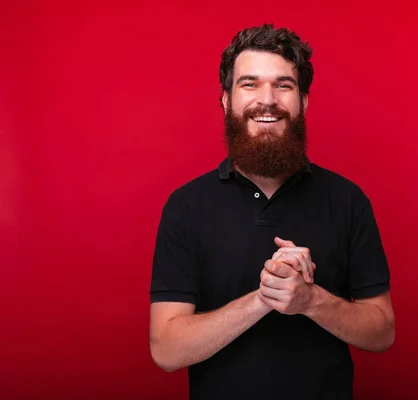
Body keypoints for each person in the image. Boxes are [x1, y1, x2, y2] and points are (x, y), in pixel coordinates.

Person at [149, 23, 395, 400]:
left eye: (283, 85)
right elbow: (165, 349)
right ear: (226, 100)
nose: (268, 100)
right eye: (249, 84)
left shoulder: (347, 200)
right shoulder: (186, 207)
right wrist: (264, 298)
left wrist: (311, 301)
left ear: (304, 101)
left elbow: (382, 333)